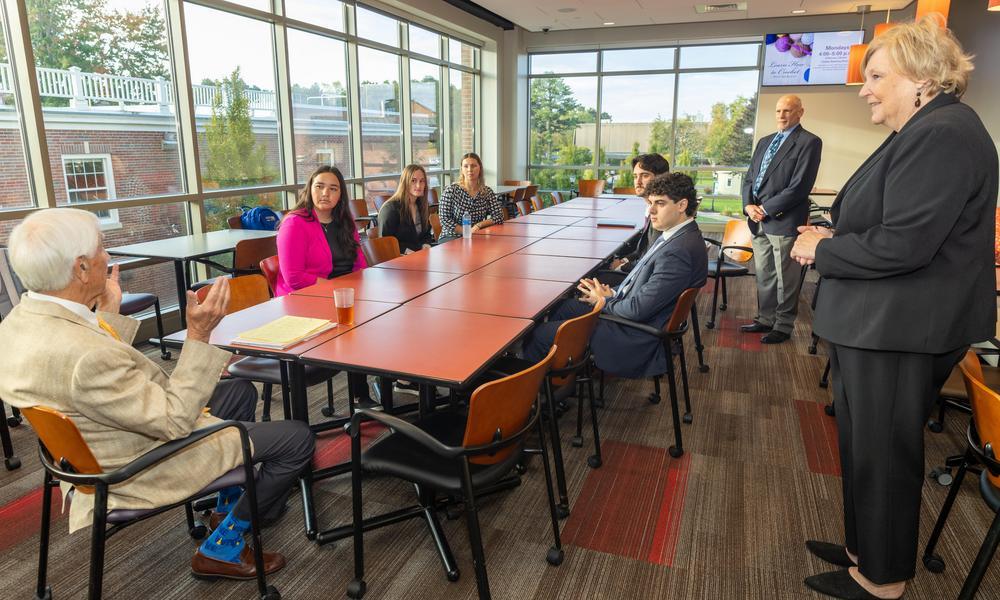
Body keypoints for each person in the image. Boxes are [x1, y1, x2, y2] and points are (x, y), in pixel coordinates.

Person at [790, 19, 997, 600]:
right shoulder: (924, 129)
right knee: (864, 445)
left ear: (922, 77)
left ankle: (882, 580)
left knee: (884, 454)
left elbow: (906, 243)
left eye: (876, 76)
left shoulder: (945, 133)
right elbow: (886, 219)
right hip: (881, 322)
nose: (865, 89)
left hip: (902, 327)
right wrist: (831, 229)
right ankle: (865, 549)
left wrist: (824, 247)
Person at [0, 208, 314, 580]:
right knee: (297, 440)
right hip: (141, 463)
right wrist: (198, 335)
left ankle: (226, 506)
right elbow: (175, 419)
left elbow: (94, 380)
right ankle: (225, 545)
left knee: (240, 392)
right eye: (102, 248)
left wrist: (108, 315)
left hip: (94, 446)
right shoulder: (86, 356)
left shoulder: (16, 324)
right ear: (81, 268)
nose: (108, 257)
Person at [524, 173, 707, 378]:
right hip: (633, 313)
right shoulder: (679, 234)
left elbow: (637, 310)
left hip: (635, 333)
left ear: (682, 205)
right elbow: (645, 287)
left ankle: (535, 400)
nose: (651, 210)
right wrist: (612, 291)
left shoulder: (678, 251)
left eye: (660, 204)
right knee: (564, 307)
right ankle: (564, 378)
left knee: (538, 335)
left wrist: (602, 301)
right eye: (650, 203)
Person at [740, 94, 822, 344]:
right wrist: (748, 206)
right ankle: (765, 318)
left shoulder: (809, 142)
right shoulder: (765, 141)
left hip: (784, 220)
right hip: (758, 220)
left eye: (787, 110)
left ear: (800, 112)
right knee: (764, 274)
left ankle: (783, 325)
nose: (782, 116)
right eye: (778, 111)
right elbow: (750, 178)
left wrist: (765, 208)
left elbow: (799, 187)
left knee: (787, 278)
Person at [275, 165, 366, 296]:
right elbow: (294, 277)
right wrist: (336, 289)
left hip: (344, 292)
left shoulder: (346, 221)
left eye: (333, 189)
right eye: (319, 186)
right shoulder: (294, 224)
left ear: (340, 195)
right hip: (306, 297)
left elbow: (359, 263)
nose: (325, 193)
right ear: (309, 190)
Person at [610, 153, 670, 274]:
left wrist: (621, 267)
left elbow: (650, 258)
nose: (638, 181)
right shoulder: (649, 206)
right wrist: (625, 260)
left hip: (642, 276)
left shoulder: (661, 212)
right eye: (635, 176)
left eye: (645, 175)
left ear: (661, 178)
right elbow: (643, 248)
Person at [437, 152, 505, 240]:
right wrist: (466, 232)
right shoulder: (451, 190)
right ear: (461, 169)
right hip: (451, 236)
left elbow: (499, 216)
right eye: (466, 166)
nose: (469, 169)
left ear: (480, 168)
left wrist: (479, 225)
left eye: (473, 166)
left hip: (475, 236)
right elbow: (444, 220)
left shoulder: (486, 192)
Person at [379, 164, 435, 253]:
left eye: (422, 181)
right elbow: (385, 243)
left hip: (419, 255)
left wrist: (426, 244)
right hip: (397, 259)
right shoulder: (390, 209)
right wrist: (406, 250)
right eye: (413, 181)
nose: (418, 185)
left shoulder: (422, 206)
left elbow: (426, 234)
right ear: (405, 183)